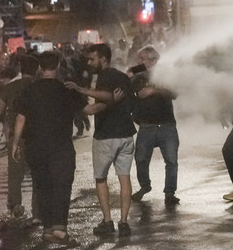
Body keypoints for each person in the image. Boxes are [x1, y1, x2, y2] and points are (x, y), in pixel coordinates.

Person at [11, 51, 93, 247]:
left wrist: (15, 142)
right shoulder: (67, 90)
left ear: (40, 68)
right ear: (58, 67)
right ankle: (59, 228)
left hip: (35, 147)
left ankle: (48, 229)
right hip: (61, 145)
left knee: (43, 186)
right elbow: (86, 110)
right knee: (62, 185)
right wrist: (109, 102)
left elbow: (20, 117)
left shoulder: (29, 90)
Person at [67, 43, 136, 237]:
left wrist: (80, 96)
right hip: (126, 135)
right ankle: (124, 222)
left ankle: (107, 221)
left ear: (103, 59)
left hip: (106, 136)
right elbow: (126, 103)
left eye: (92, 59)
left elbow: (98, 105)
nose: (89, 63)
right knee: (125, 178)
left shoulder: (104, 77)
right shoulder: (122, 77)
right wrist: (112, 102)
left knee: (101, 178)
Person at [128, 46, 180, 206]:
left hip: (166, 125)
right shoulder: (137, 76)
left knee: (171, 161)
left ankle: (169, 192)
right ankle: (145, 186)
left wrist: (153, 91)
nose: (140, 62)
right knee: (141, 160)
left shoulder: (165, 74)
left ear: (153, 60)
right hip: (146, 126)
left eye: (142, 59)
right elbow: (128, 92)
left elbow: (174, 92)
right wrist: (129, 77)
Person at [0, 55, 39, 221]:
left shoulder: (10, 87)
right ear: (37, 70)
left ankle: (15, 206)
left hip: (16, 136)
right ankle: (37, 212)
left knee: (15, 175)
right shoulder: (39, 87)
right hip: (37, 136)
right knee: (37, 174)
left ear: (20, 69)